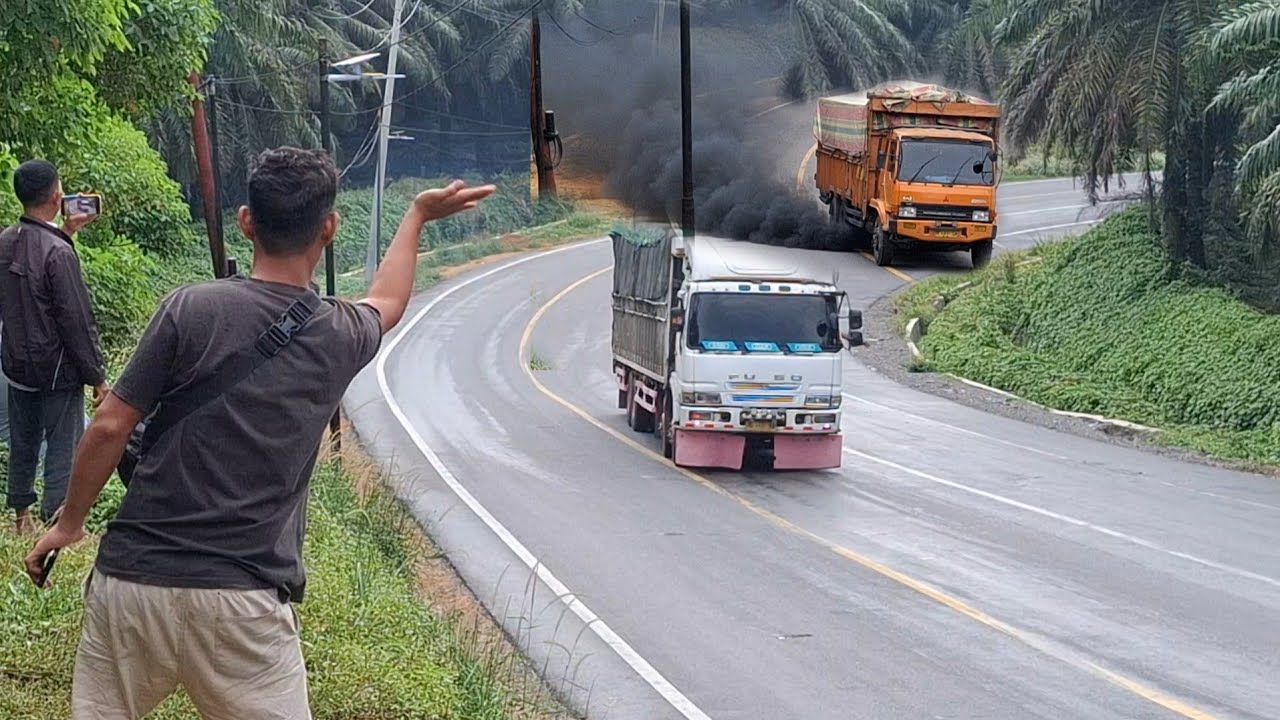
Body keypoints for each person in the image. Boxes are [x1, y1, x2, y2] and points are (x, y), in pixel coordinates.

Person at [25, 147, 494, 718]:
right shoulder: (338, 333)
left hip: (133, 582)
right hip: (244, 605)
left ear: (246, 221)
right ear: (329, 228)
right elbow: (389, 301)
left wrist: (69, 524)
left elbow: (109, 426)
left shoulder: (188, 308)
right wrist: (415, 215)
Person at [1, 159, 107, 535]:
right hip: (57, 369)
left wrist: (65, 231)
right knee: (64, 445)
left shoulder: (6, 239)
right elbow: (76, 321)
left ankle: (21, 518)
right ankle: (56, 520)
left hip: (16, 365)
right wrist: (98, 376)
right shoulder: (58, 253)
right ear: (57, 195)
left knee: (24, 441)